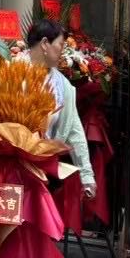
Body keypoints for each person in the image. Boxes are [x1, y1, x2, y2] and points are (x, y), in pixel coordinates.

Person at [25, 17, 97, 200]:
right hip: (12, 172)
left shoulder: (63, 86)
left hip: (44, 173)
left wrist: (86, 176)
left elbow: (74, 131)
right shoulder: (12, 73)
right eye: (60, 45)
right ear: (44, 44)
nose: (63, 51)